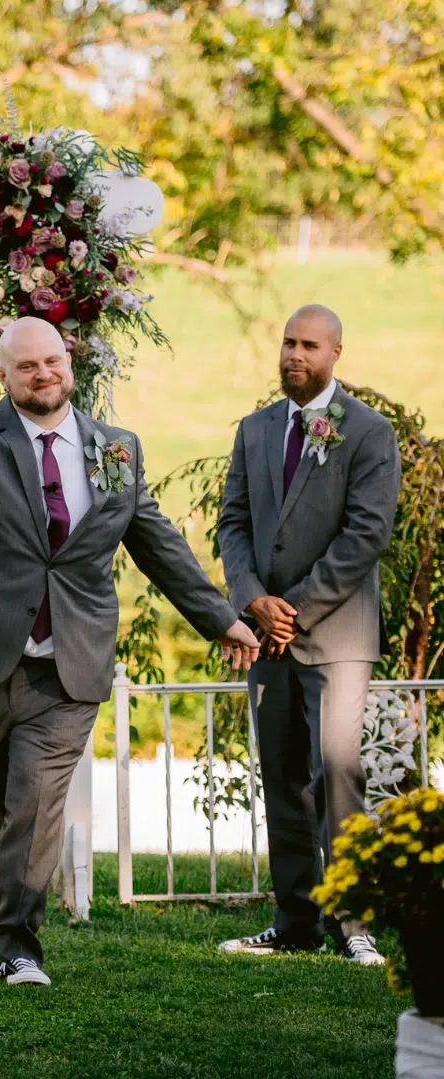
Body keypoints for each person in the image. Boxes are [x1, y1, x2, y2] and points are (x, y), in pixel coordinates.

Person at [0, 317, 259, 986]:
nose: (42, 373)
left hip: (70, 659)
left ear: (69, 363)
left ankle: (18, 944)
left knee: (37, 802)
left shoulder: (116, 448)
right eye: (27, 366)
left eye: (52, 360)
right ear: (5, 375)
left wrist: (221, 619)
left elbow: (157, 543)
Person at [216, 304, 401, 964]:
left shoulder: (368, 433)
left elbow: (365, 537)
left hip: (337, 641)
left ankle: (354, 927)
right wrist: (252, 601)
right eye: (288, 341)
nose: (296, 354)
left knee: (337, 774)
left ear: (335, 354)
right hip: (268, 639)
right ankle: (295, 923)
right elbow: (232, 526)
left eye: (310, 345)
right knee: (283, 778)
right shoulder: (255, 429)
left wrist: (292, 608)